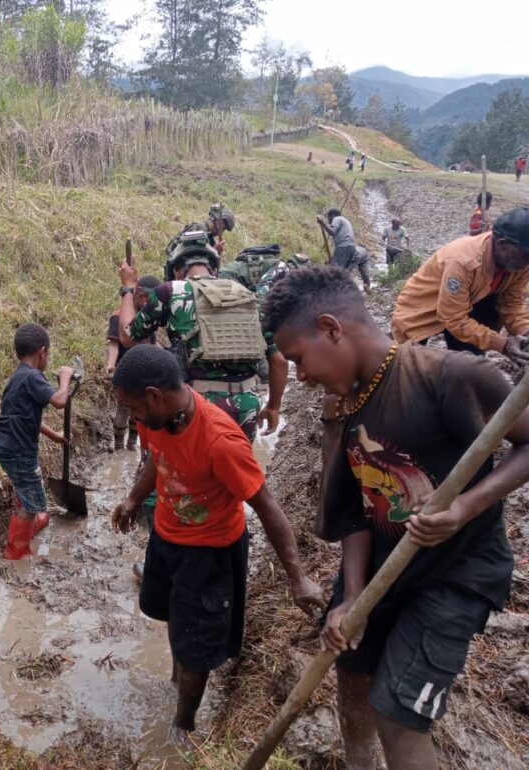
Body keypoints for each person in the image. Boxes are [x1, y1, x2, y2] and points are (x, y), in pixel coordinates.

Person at [263, 266, 529, 770]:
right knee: (351, 669)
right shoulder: (343, 405)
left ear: (331, 328)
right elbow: (355, 511)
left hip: (456, 572)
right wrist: (352, 596)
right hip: (381, 566)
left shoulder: (449, 376)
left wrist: (465, 507)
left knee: (397, 711)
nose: (301, 376)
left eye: (298, 359)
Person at [110, 345, 322, 743]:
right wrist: (133, 499)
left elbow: (267, 507)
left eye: (133, 408)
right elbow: (157, 458)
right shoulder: (158, 420)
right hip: (166, 539)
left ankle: (183, 726)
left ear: (154, 396)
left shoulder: (220, 441)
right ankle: (176, 681)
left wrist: (298, 577)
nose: (132, 417)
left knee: (198, 647)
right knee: (175, 619)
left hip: (209, 555)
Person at [121, 236, 287, 443]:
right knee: (236, 461)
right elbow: (279, 360)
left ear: (177, 271)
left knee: (189, 462)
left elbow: (127, 336)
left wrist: (128, 287)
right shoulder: (247, 296)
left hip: (198, 406)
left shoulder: (170, 291)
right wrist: (273, 407)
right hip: (247, 407)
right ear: (214, 270)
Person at [392, 208, 529, 361]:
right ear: (502, 245)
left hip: (468, 305)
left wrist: (525, 333)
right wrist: (502, 344)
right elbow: (453, 317)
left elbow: (511, 304)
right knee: (406, 364)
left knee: (470, 365)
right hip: (423, 308)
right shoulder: (464, 261)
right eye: (527, 255)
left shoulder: (520, 263)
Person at [0, 323, 74, 559]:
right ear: (42, 352)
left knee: (24, 485)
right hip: (19, 450)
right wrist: (65, 379)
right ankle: (16, 550)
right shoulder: (33, 377)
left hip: (6, 446)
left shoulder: (18, 377)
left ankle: (30, 523)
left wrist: (54, 435)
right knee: (33, 501)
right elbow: (59, 401)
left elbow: (27, 418)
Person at [106, 274, 160, 451]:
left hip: (144, 373)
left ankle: (132, 444)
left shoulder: (149, 317)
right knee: (123, 407)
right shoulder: (118, 316)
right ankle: (119, 445)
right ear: (139, 295)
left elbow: (153, 344)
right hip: (125, 371)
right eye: (149, 301)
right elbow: (114, 344)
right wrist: (111, 364)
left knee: (140, 409)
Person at [318, 208, 371, 292]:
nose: (329, 220)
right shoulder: (344, 221)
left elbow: (332, 232)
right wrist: (324, 224)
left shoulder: (337, 219)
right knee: (342, 272)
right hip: (349, 247)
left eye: (329, 218)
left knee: (335, 272)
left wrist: (322, 223)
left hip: (343, 247)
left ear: (332, 216)